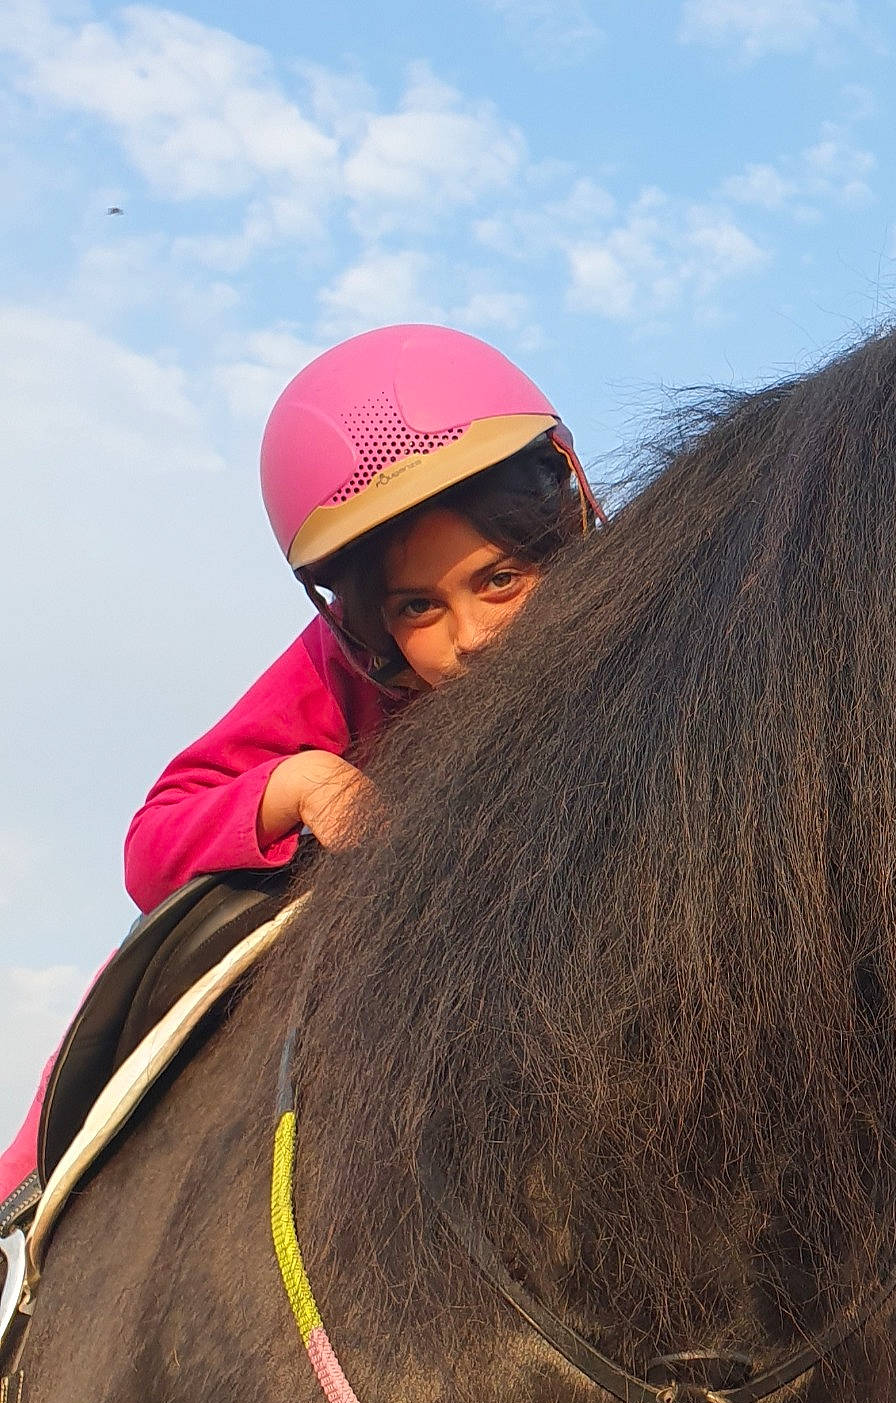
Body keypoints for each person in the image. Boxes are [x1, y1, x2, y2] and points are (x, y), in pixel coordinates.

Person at [0, 323, 599, 1194]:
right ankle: (28, 1220)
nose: (472, 638)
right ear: (363, 618)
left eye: (501, 580)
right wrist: (298, 780)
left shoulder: (639, 629)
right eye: (418, 608)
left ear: (568, 525)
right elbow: (151, 845)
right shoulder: (332, 673)